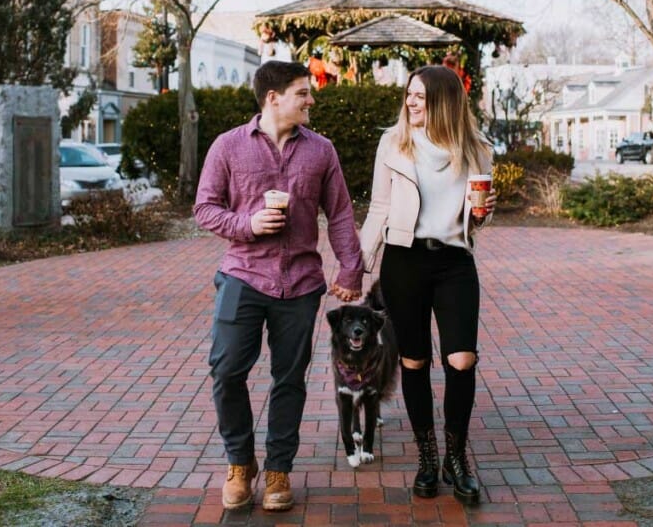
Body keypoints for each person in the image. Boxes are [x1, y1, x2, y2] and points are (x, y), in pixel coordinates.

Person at [193, 60, 363, 512]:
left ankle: (278, 471)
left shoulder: (321, 151)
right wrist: (247, 224)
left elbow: (341, 214)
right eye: (303, 93)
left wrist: (351, 270)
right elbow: (205, 209)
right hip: (242, 276)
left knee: (289, 380)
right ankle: (239, 463)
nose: (311, 99)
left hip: (301, 283)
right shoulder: (228, 146)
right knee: (227, 370)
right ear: (274, 98)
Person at [359, 65, 497, 505]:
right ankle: (427, 457)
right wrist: (356, 266)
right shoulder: (392, 143)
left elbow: (479, 214)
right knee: (414, 362)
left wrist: (484, 212)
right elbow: (379, 207)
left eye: (420, 96)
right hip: (404, 260)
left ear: (444, 101)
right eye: (409, 94)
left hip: (454, 261)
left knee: (462, 359)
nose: (411, 102)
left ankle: (456, 459)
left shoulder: (476, 149)